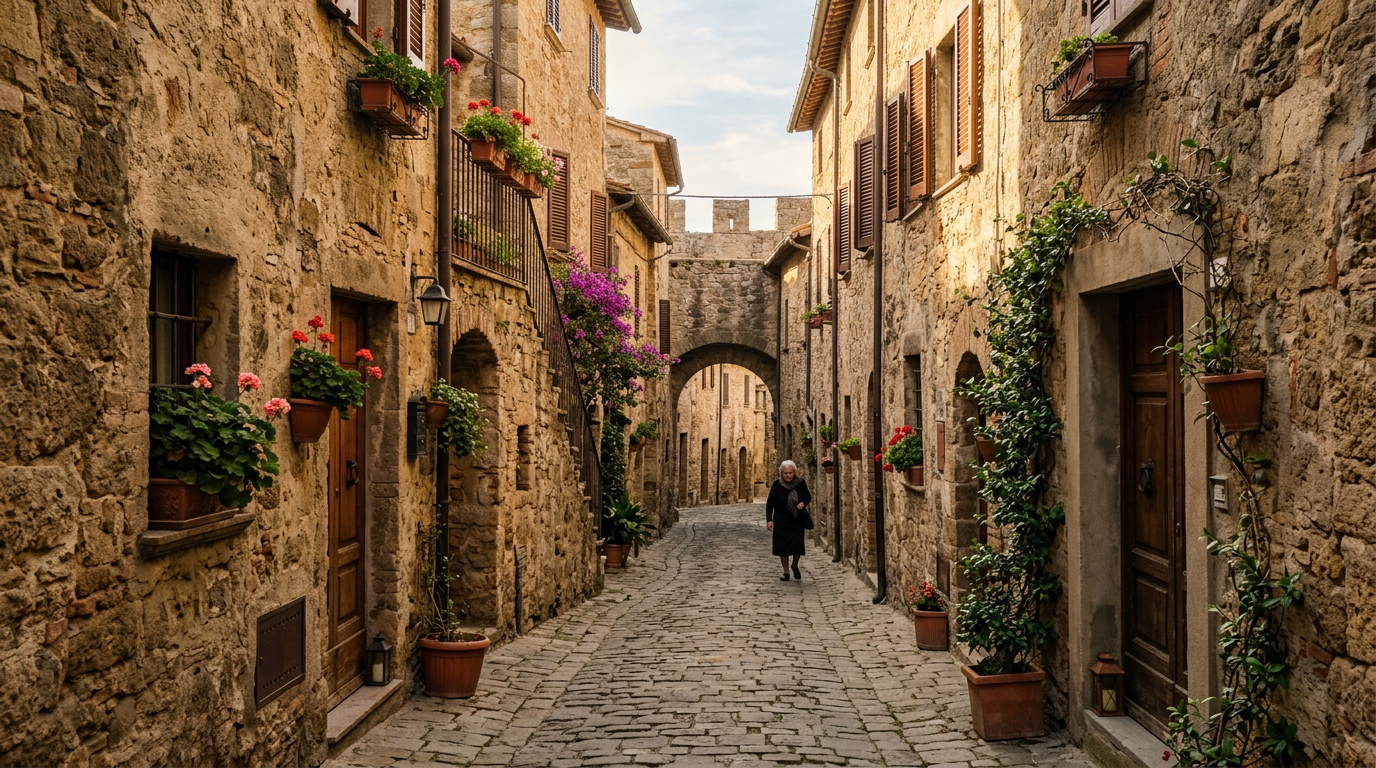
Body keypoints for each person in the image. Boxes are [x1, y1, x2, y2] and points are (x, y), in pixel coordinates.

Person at [766, 460, 811, 581]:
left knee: (797, 545)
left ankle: (794, 565)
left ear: (794, 472)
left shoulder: (801, 483)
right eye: (785, 473)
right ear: (781, 473)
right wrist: (769, 520)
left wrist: (803, 503)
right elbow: (770, 503)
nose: (788, 475)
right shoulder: (777, 485)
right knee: (782, 546)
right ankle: (786, 572)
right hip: (781, 519)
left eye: (790, 473)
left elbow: (807, 496)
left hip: (797, 519)